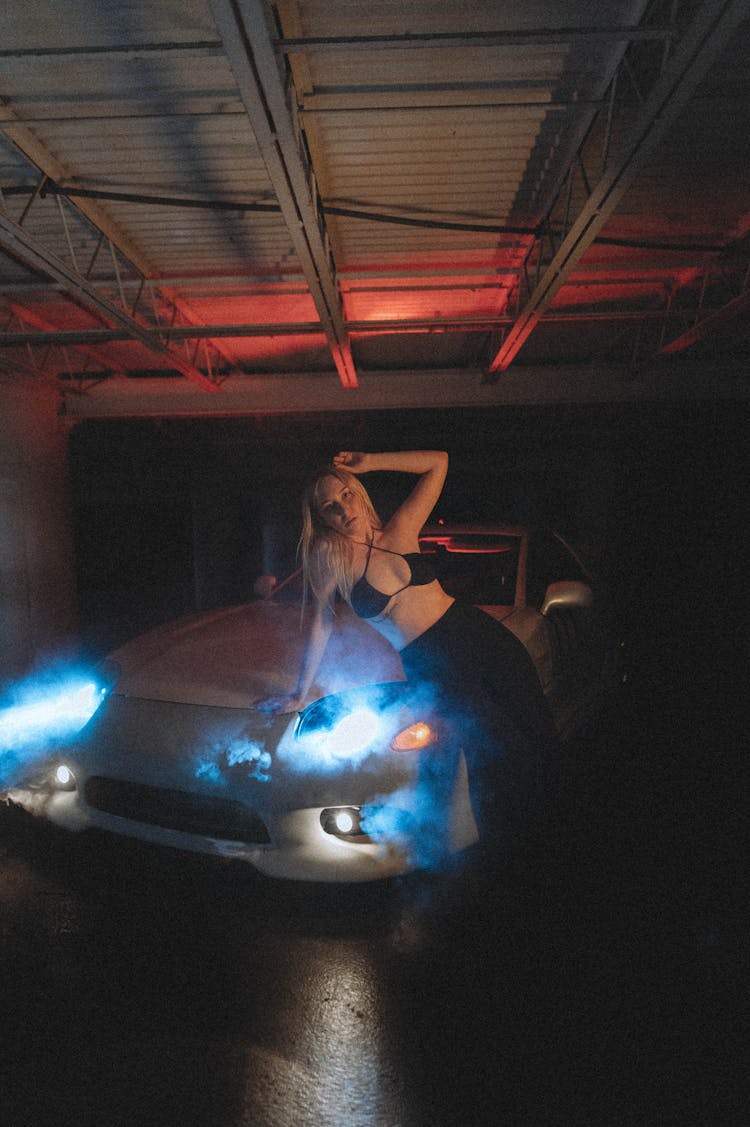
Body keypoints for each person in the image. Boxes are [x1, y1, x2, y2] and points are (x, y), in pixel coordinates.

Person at [256, 450, 557, 850]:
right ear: (322, 518)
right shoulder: (330, 559)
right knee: (483, 753)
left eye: (347, 495)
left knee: (533, 734)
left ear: (359, 493)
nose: (344, 510)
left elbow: (440, 462)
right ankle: (499, 858)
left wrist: (370, 462)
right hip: (431, 663)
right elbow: (320, 624)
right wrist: (299, 690)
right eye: (331, 507)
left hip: (481, 639)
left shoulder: (401, 531)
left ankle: (552, 834)